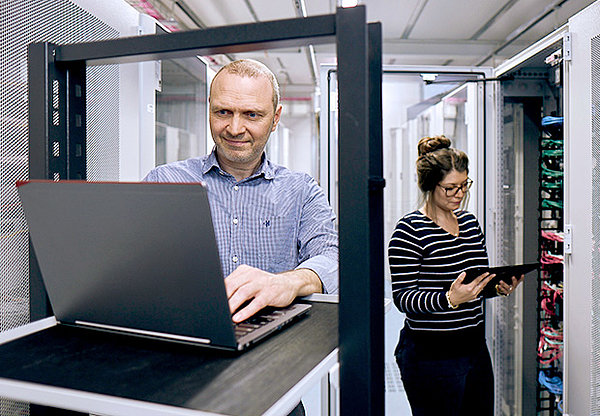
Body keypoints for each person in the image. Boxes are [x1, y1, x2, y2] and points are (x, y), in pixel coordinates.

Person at [144, 58, 337, 416]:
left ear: (275, 118)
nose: (234, 128)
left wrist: (290, 282)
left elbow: (332, 259)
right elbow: (134, 269)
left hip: (274, 378)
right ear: (209, 110)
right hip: (183, 377)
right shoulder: (165, 182)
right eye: (223, 112)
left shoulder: (301, 191)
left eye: (252, 114)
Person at [388, 135, 523, 416]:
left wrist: (496, 286)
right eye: (450, 188)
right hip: (430, 354)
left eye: (464, 186)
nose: (459, 194)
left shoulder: (471, 224)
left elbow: (476, 281)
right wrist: (449, 299)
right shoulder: (409, 230)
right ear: (429, 185)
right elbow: (404, 298)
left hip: (474, 347)